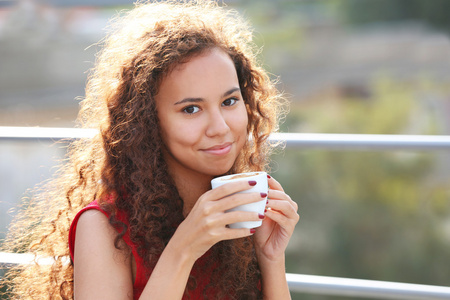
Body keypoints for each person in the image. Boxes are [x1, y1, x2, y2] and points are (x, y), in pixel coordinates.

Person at [1, 0, 299, 299]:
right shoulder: (104, 227)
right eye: (191, 109)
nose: (220, 127)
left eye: (229, 101)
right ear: (147, 121)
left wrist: (271, 259)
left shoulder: (241, 214)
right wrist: (184, 248)